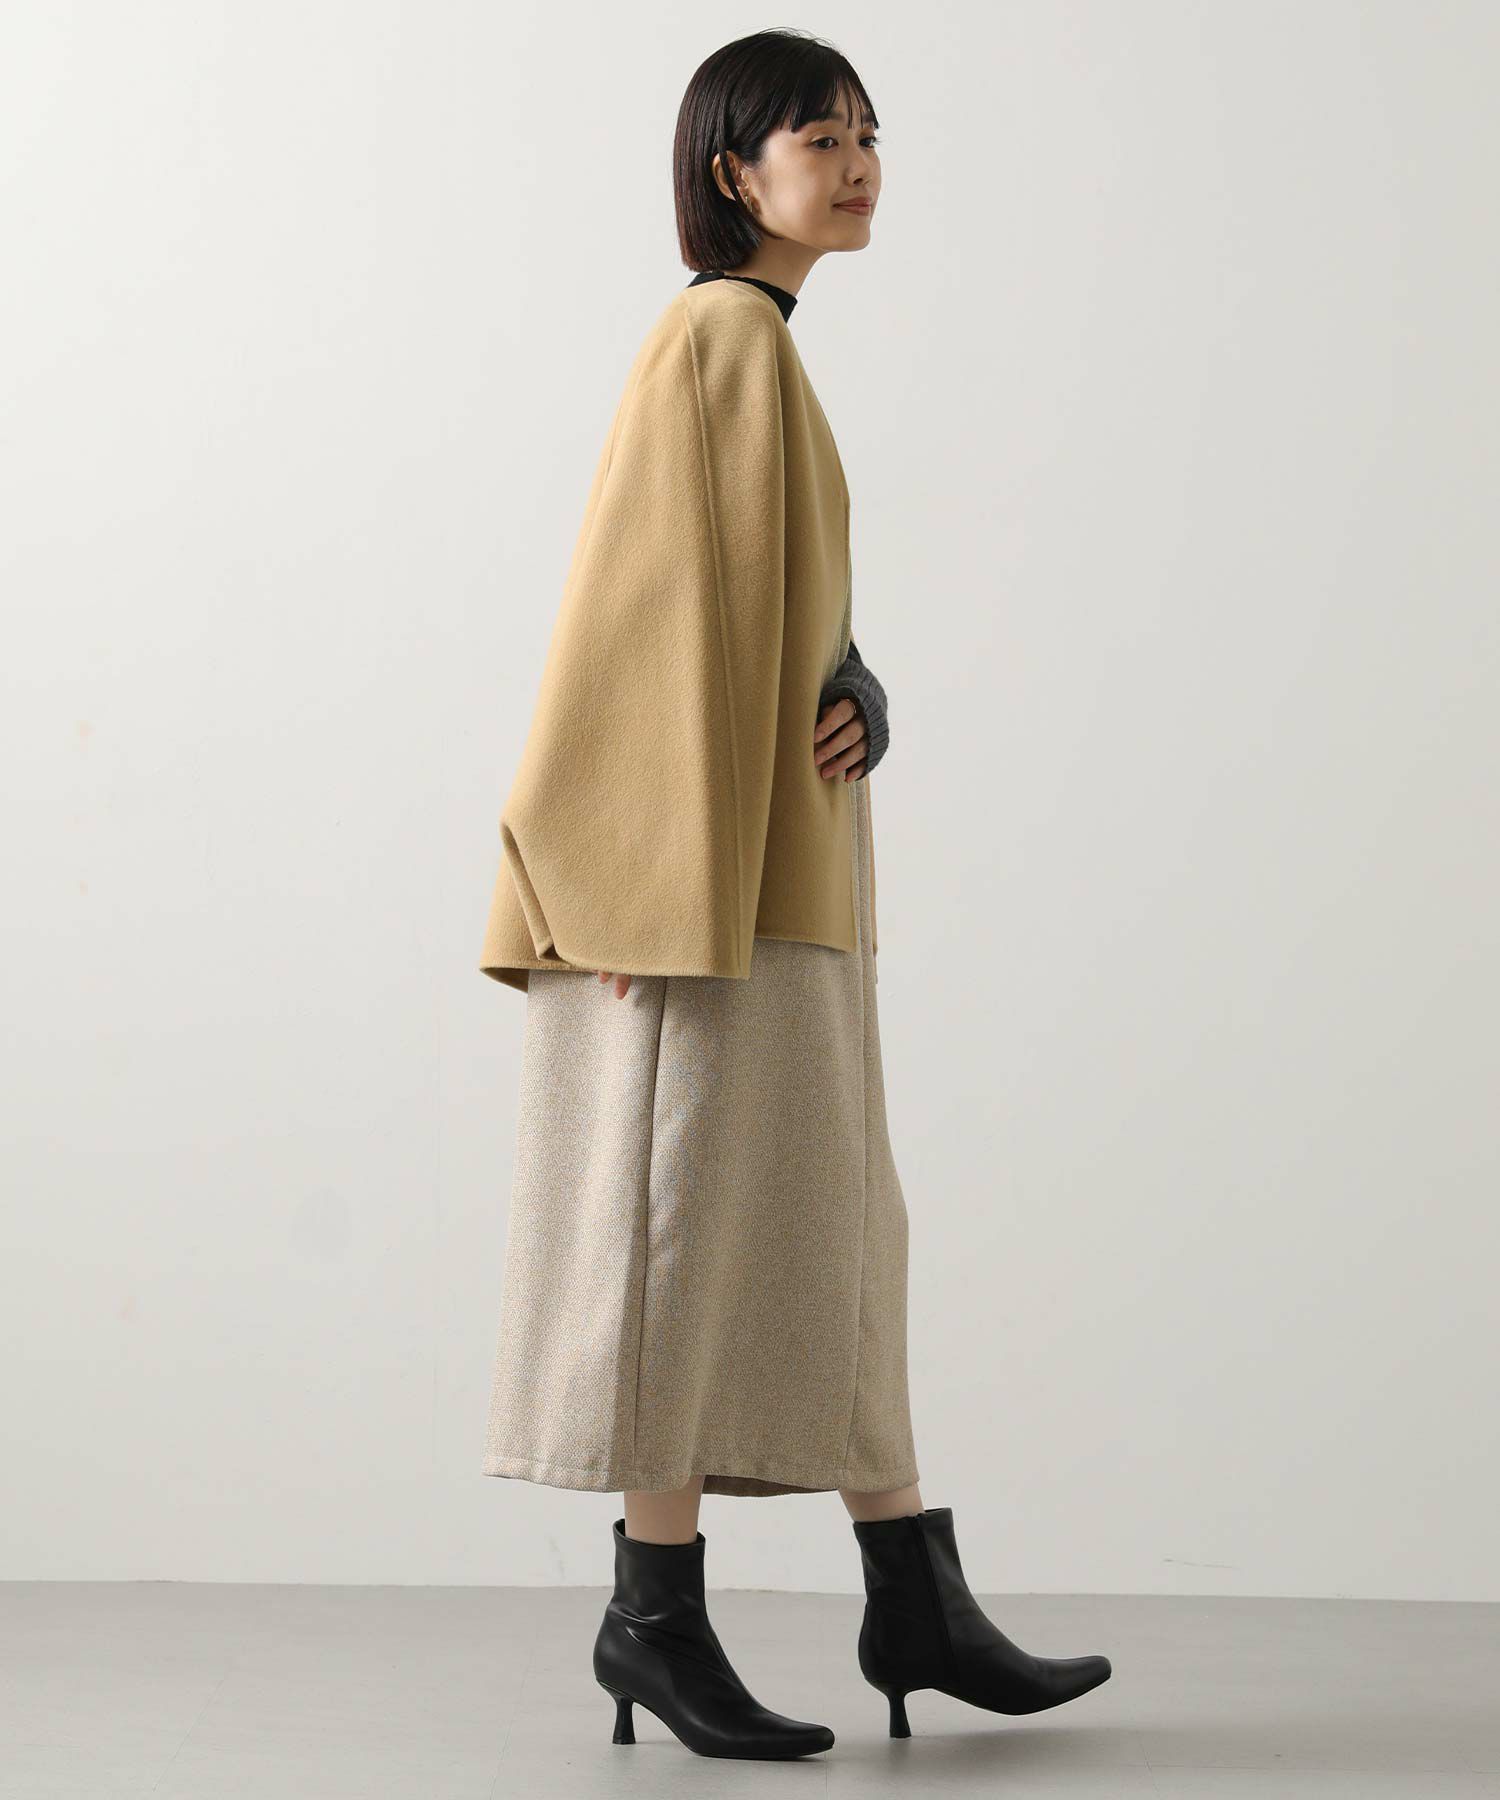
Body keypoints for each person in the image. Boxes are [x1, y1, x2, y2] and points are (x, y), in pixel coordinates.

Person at [475, 27, 1112, 1762]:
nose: (859, 162)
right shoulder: (718, 337)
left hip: (783, 881)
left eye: (868, 134)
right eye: (818, 138)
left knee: (830, 1239)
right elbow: (636, 617)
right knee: (682, 1250)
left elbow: (758, 603)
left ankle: (910, 1594)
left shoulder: (760, 349)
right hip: (703, 900)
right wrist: (622, 882)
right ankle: (655, 1619)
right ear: (731, 174)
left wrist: (852, 677)